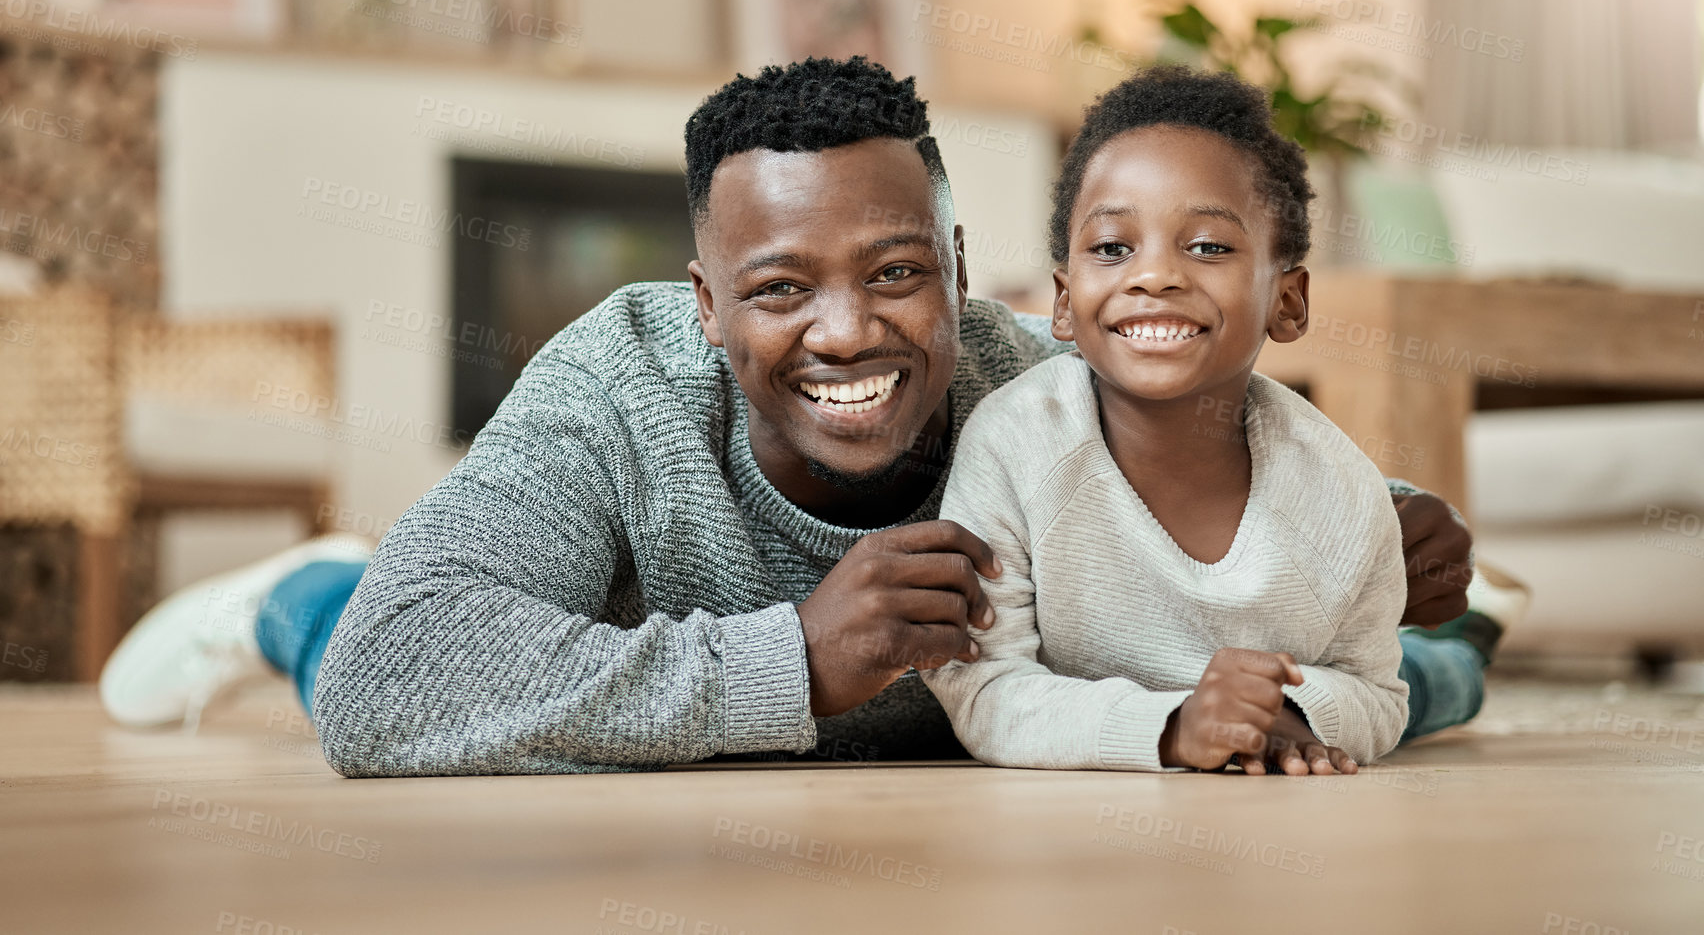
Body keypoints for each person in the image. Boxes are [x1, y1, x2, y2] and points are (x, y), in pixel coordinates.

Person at [97, 56, 1507, 775]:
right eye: (780, 289)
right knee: (354, 632)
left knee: (1434, 682)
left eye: (897, 274)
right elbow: (389, 689)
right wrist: (798, 661)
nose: (846, 331)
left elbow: (1228, 501)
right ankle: (290, 591)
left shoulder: (1042, 384)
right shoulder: (624, 383)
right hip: (586, 662)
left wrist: (1373, 539)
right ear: (707, 305)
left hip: (1013, 714)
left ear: (960, 275)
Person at [925, 66, 1425, 774]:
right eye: (1112, 248)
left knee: (1438, 686)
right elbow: (984, 689)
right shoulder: (1015, 444)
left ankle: (1472, 636)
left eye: (1209, 247)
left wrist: (1286, 713)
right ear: (1064, 301)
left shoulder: (1340, 488)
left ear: (1288, 301)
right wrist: (1171, 728)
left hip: (1291, 701)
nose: (1154, 275)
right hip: (1111, 774)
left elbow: (1377, 693)